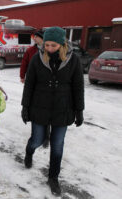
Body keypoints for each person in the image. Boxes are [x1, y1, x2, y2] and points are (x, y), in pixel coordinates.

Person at [21, 27, 84, 196]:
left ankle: (53, 178)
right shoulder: (37, 58)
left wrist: (79, 110)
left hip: (62, 109)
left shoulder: (73, 60)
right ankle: (29, 151)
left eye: (53, 45)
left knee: (57, 146)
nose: (49, 48)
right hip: (39, 107)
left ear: (62, 43)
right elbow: (29, 85)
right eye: (47, 44)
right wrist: (25, 107)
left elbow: (78, 86)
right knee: (37, 140)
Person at [20, 30, 50, 148]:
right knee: (34, 108)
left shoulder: (49, 51)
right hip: (32, 84)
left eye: (37, 37)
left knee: (47, 110)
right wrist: (22, 75)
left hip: (46, 85)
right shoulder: (30, 51)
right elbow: (24, 63)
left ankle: (47, 136)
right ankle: (36, 134)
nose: (34, 39)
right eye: (34, 37)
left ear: (42, 38)